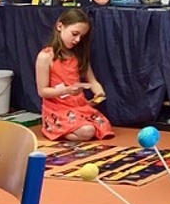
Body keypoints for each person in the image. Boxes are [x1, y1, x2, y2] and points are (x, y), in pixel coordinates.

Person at [35, 8, 113, 141]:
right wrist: (67, 90)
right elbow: (42, 91)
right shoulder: (45, 56)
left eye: (81, 37)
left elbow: (92, 81)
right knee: (88, 131)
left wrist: (99, 92)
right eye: (74, 34)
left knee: (103, 126)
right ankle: (55, 128)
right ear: (60, 26)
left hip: (79, 106)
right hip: (57, 108)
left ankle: (63, 129)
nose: (77, 40)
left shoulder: (78, 55)